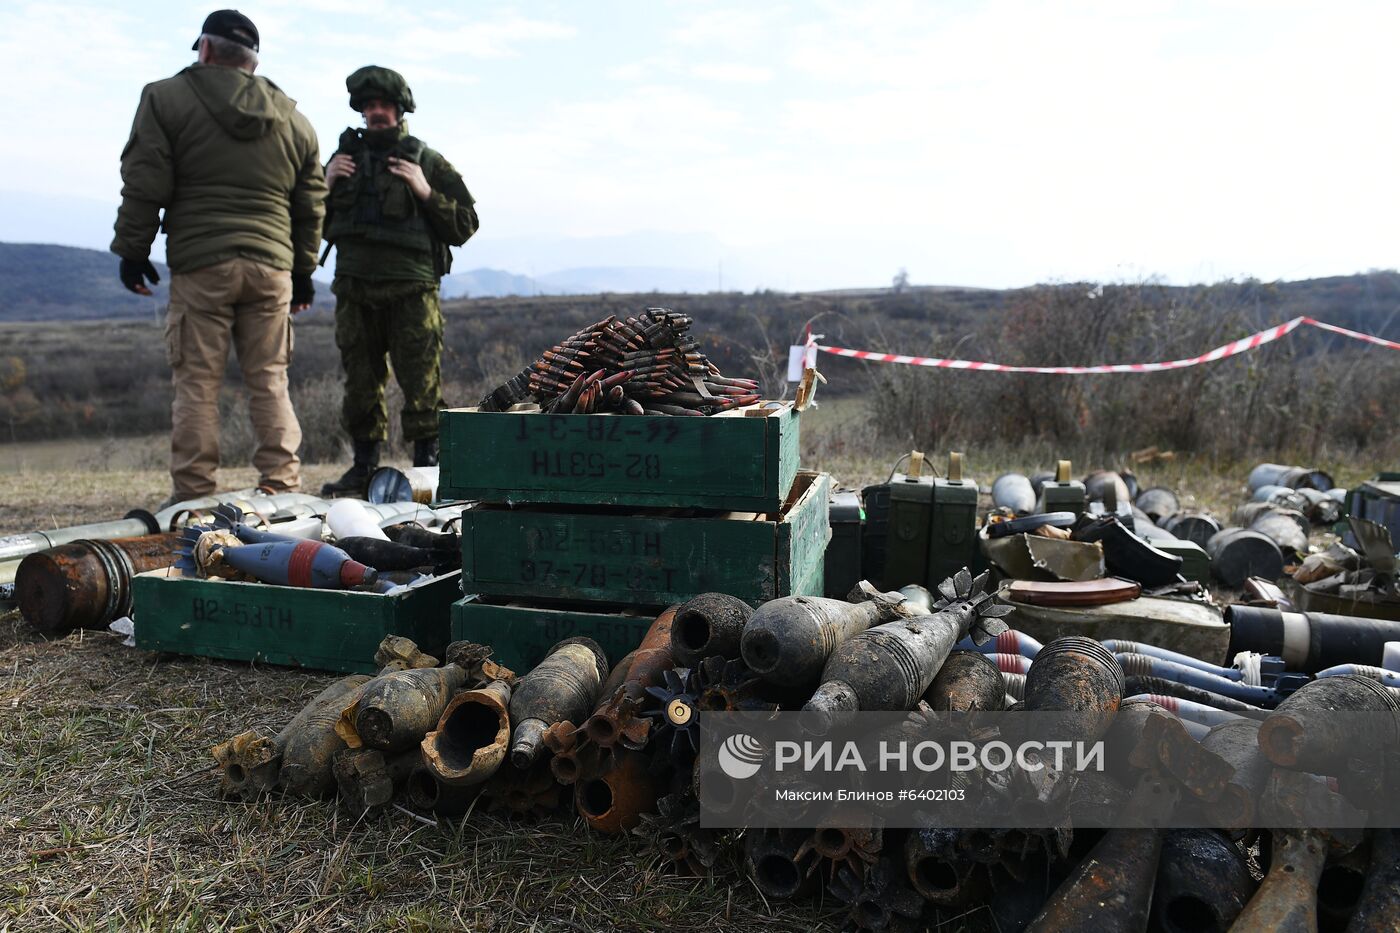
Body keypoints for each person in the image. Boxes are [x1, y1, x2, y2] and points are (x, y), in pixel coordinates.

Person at [112, 10, 326, 506]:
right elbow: (312, 202)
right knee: (270, 379)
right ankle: (283, 488)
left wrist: (133, 249)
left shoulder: (165, 99)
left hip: (202, 262)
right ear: (252, 63)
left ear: (205, 50)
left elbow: (146, 181)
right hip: (272, 267)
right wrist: (304, 271)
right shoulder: (295, 120)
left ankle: (192, 497)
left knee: (197, 385)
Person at [319, 66, 479, 497]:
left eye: (384, 105)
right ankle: (363, 466)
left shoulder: (424, 159)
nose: (376, 113)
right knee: (359, 381)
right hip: (355, 290)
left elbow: (466, 223)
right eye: (368, 106)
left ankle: (427, 467)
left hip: (411, 291)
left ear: (400, 109)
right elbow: (308, 224)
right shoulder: (340, 162)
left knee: (422, 381)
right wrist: (324, 185)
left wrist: (426, 191)